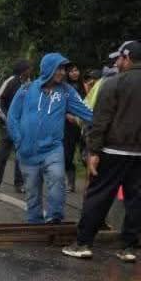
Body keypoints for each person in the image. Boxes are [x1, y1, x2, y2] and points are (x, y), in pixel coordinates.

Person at [63, 40, 141, 262]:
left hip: (114, 150)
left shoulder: (114, 83)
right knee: (137, 200)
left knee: (99, 195)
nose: (117, 63)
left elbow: (100, 120)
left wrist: (94, 151)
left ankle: (83, 243)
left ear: (127, 58)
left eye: (120, 59)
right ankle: (129, 248)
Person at [7, 52, 93, 224]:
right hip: (27, 150)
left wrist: (108, 121)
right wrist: (18, 140)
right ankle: (35, 222)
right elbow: (12, 116)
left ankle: (54, 217)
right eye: (58, 68)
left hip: (53, 148)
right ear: (47, 68)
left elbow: (87, 112)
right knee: (32, 192)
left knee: (57, 179)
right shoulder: (26, 89)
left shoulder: (67, 92)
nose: (62, 72)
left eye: (63, 69)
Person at [0, 60, 30, 194]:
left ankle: (19, 184)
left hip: (22, 125)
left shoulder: (29, 83)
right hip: (7, 124)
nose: (30, 71)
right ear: (23, 70)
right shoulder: (10, 81)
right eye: (28, 68)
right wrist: (7, 118)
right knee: (4, 154)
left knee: (20, 154)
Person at [62, 62, 83, 192]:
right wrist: (66, 114)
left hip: (81, 124)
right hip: (68, 125)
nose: (75, 73)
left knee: (85, 155)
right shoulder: (64, 88)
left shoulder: (83, 86)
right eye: (72, 71)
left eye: (76, 70)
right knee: (67, 154)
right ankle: (70, 182)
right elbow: (59, 103)